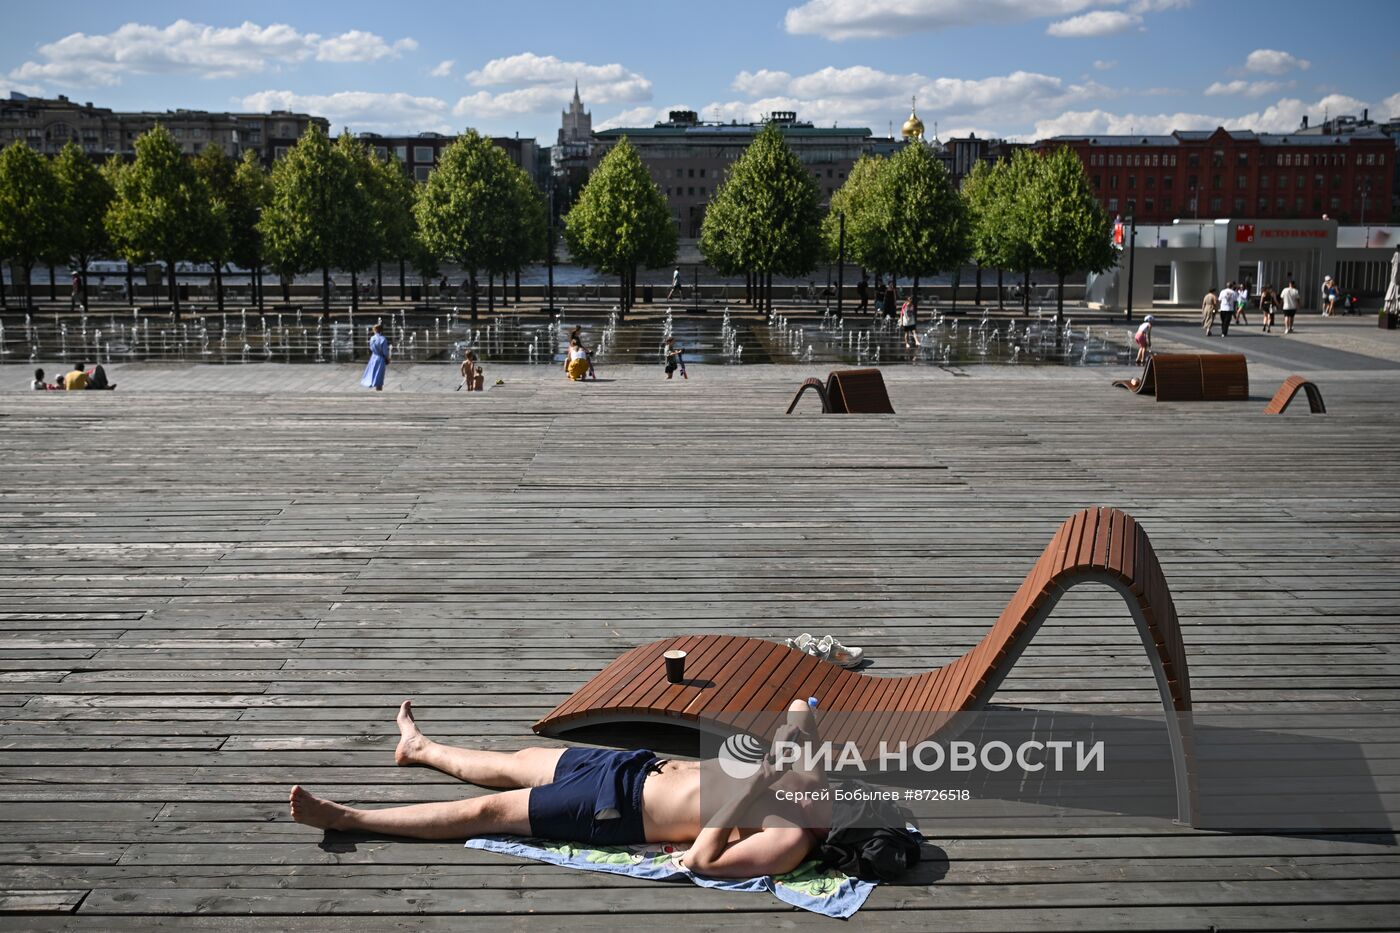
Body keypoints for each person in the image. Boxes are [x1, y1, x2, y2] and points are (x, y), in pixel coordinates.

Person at [289, 699, 838, 880]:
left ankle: (348, 819)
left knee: (490, 809)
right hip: (634, 767)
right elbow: (799, 708)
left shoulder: (788, 838)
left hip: (615, 808)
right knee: (517, 762)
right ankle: (420, 749)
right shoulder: (807, 777)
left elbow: (697, 863)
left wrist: (748, 791)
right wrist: (797, 723)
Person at [360, 323, 390, 391]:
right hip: (380, 358)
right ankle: (379, 390)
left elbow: (371, 348)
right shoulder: (383, 339)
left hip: (373, 357)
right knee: (379, 375)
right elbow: (385, 351)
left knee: (373, 373)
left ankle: (373, 385)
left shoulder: (372, 338)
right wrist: (387, 358)